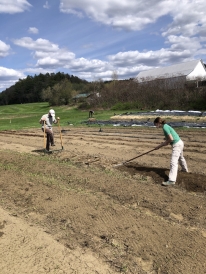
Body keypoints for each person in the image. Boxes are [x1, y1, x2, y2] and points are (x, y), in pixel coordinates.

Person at [154, 117, 188, 186]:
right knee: (181, 158)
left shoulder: (164, 127)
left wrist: (161, 145)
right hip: (180, 142)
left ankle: (172, 180)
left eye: (155, 124)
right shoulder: (166, 126)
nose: (155, 126)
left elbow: (171, 139)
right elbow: (170, 137)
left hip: (177, 145)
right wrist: (165, 141)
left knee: (173, 162)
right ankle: (185, 170)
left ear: (158, 123)